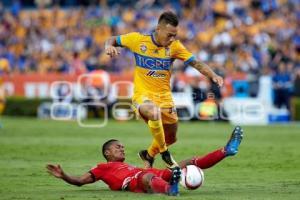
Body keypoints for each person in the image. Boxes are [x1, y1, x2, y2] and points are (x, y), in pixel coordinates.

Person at [104, 11, 224, 169]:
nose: (172, 38)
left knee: (172, 137)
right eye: (169, 35)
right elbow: (112, 39)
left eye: (175, 35)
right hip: (143, 95)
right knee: (153, 112)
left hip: (165, 98)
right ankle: (164, 152)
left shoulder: (175, 47)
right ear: (158, 29)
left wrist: (213, 75)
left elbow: (196, 63)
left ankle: (148, 155)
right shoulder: (137, 40)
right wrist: (108, 46)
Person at [46, 126, 243, 196]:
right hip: (135, 182)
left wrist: (149, 161)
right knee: (146, 175)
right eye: (117, 147)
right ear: (107, 153)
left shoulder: (128, 165)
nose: (122, 148)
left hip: (147, 173)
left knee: (188, 162)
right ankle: (169, 189)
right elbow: (81, 181)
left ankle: (226, 150)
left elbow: (147, 167)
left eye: (122, 146)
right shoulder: (102, 168)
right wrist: (64, 175)